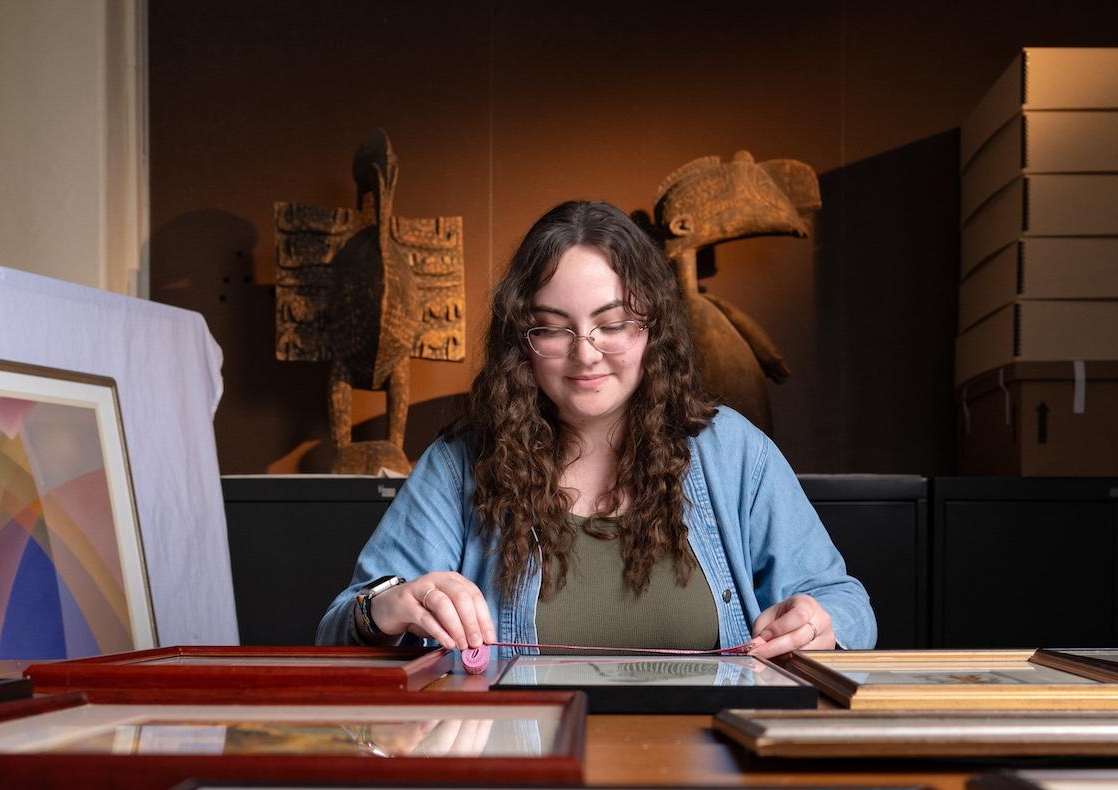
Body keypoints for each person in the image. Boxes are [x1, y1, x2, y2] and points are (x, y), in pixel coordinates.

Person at [317, 199, 874, 656]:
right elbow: (340, 623)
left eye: (612, 325)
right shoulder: (461, 463)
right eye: (553, 329)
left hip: (708, 785)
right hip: (527, 781)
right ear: (521, 340)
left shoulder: (733, 451)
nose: (586, 355)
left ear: (652, 329)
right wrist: (387, 606)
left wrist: (822, 623)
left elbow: (846, 604)